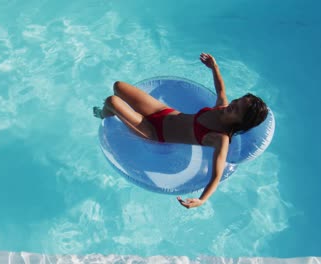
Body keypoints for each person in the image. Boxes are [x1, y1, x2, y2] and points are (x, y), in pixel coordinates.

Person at [93, 53, 268, 209]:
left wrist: (202, 200)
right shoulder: (222, 107)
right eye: (236, 101)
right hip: (161, 111)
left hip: (155, 132)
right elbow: (221, 89)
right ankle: (113, 111)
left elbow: (216, 175)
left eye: (236, 110)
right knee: (119, 86)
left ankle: (103, 115)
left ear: (240, 122)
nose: (232, 105)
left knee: (112, 101)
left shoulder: (220, 138)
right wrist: (214, 67)